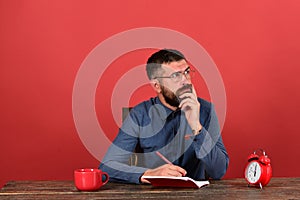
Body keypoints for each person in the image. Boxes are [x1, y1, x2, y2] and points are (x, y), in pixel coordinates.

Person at [99, 49, 229, 184]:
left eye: (187, 72)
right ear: (157, 86)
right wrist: (150, 174)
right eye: (175, 76)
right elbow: (107, 167)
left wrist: (196, 126)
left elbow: (218, 171)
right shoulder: (140, 115)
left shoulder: (206, 110)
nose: (185, 81)